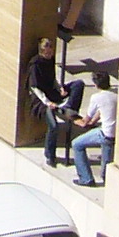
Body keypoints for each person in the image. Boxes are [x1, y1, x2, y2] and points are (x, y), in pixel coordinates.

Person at [29, 37, 76, 167]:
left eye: (51, 52)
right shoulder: (35, 64)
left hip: (53, 95)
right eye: (47, 53)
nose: (49, 55)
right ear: (41, 51)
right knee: (54, 126)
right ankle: (50, 155)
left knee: (77, 85)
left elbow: (52, 78)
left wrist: (60, 87)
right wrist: (47, 102)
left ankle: (70, 107)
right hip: (42, 102)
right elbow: (35, 87)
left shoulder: (50, 61)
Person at [70, 72, 119, 185]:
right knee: (106, 163)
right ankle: (108, 181)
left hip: (104, 134)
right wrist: (93, 122)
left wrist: (80, 122)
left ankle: (86, 178)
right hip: (114, 133)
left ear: (96, 85)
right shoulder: (116, 95)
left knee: (77, 144)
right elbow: (101, 110)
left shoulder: (96, 97)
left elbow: (87, 118)